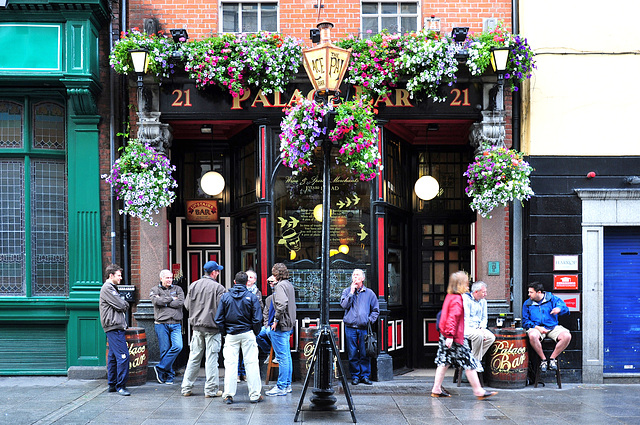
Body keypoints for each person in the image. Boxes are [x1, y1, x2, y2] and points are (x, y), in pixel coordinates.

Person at [431, 271, 497, 400]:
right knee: (469, 362)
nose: (468, 284)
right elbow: (452, 318)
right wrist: (450, 336)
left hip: (446, 335)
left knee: (443, 362)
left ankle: (436, 388)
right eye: (466, 282)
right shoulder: (457, 299)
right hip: (455, 337)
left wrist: (447, 336)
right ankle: (478, 391)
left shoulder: (450, 296)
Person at [215, 271, 264, 404]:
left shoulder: (225, 297)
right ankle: (254, 395)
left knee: (230, 365)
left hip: (231, 334)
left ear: (234, 282)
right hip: (247, 333)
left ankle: (228, 395)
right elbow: (257, 318)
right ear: (246, 282)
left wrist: (225, 332)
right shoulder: (252, 297)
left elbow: (218, 319)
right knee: (252, 364)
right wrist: (255, 332)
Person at [181, 260, 227, 397]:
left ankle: (186, 388)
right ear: (213, 273)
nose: (218, 273)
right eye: (217, 271)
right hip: (212, 328)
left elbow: (187, 305)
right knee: (211, 358)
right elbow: (221, 309)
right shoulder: (219, 288)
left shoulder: (193, 285)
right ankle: (211, 390)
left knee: (194, 357)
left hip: (196, 327)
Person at [340, 268, 379, 385]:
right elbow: (344, 305)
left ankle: (365, 376)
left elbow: (376, 310)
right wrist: (351, 293)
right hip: (350, 327)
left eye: (357, 275)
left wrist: (369, 320)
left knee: (364, 353)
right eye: (353, 275)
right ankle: (355, 376)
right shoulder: (347, 291)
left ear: (362, 278)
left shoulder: (369, 293)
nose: (355, 277)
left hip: (363, 328)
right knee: (352, 353)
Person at [522, 281, 571, 372]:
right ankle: (543, 360)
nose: (529, 294)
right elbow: (525, 321)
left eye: (531, 292)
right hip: (537, 327)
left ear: (539, 292)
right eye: (529, 292)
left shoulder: (552, 299)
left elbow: (566, 309)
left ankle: (552, 359)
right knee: (532, 335)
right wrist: (537, 327)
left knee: (566, 336)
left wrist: (559, 309)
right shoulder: (527, 304)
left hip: (552, 326)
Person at [265, 263, 296, 397]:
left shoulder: (280, 286)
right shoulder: (288, 284)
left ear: (276, 274)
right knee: (286, 357)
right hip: (288, 324)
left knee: (282, 357)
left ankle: (281, 386)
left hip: (280, 325)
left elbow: (281, 304)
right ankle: (287, 385)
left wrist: (275, 320)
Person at [99, 263, 131, 396]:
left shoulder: (111, 288)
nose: (121, 278)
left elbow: (121, 304)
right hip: (114, 327)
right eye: (118, 275)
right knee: (124, 357)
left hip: (114, 327)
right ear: (111, 275)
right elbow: (121, 304)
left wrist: (122, 303)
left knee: (112, 357)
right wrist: (124, 303)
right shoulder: (108, 288)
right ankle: (121, 386)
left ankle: (112, 384)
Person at [150, 269, 185, 385]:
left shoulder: (178, 289)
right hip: (161, 324)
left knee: (178, 346)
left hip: (175, 323)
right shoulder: (155, 290)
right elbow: (156, 301)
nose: (170, 280)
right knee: (164, 350)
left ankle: (160, 367)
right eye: (167, 278)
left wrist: (164, 302)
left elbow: (180, 303)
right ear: (161, 279)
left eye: (171, 278)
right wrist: (170, 299)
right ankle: (169, 376)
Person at [237, 270, 263, 382]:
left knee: (248, 353)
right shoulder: (237, 291)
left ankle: (245, 373)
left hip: (251, 325)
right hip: (239, 324)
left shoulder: (257, 293)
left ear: (255, 280)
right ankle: (238, 373)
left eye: (251, 277)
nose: (249, 279)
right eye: (247, 277)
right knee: (238, 351)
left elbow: (260, 308)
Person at [463, 281, 495, 372]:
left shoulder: (483, 302)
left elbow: (484, 318)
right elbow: (466, 319)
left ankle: (473, 359)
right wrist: (478, 331)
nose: (486, 294)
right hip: (466, 328)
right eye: (484, 292)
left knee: (491, 337)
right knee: (479, 336)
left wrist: (482, 328)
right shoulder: (466, 299)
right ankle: (475, 361)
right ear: (476, 292)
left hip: (478, 328)